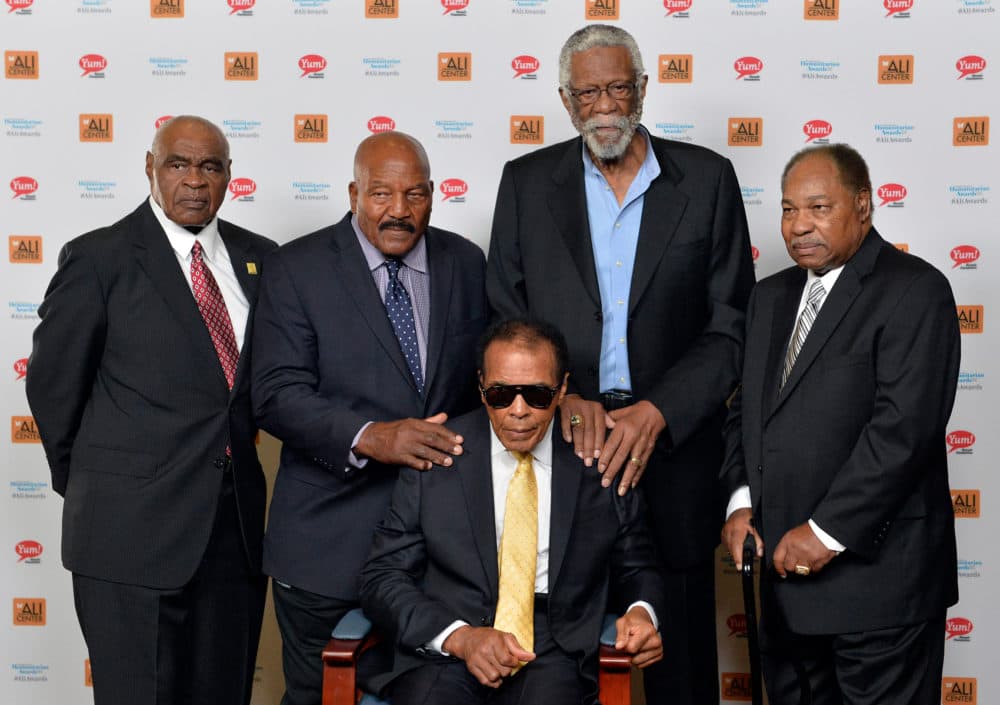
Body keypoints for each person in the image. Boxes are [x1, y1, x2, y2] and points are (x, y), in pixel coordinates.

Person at [486, 23, 755, 703]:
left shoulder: (709, 179)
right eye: (587, 92)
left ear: (642, 87)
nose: (604, 105)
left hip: (675, 452)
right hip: (559, 444)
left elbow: (731, 327)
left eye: (616, 88)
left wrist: (660, 410)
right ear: (565, 100)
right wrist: (560, 395)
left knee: (681, 660)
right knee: (557, 655)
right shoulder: (524, 183)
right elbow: (502, 317)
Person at [25, 115, 276, 705]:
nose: (195, 180)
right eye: (178, 164)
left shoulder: (260, 259)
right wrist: (98, 482)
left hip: (232, 536)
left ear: (230, 176)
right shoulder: (98, 258)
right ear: (150, 168)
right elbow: (54, 389)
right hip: (126, 536)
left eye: (211, 166)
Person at [252, 131, 488, 705]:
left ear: (433, 196)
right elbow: (277, 394)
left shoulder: (466, 262)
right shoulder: (295, 267)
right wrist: (372, 437)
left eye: (415, 195)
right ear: (354, 192)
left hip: (440, 556)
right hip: (325, 544)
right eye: (381, 194)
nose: (399, 211)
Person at [721, 144, 960, 705]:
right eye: (787, 209)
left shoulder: (915, 290)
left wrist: (826, 532)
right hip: (784, 592)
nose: (799, 225)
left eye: (819, 208)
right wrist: (739, 502)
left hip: (881, 593)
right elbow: (744, 414)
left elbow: (903, 433)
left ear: (864, 206)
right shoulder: (768, 297)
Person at [360, 318, 665, 705]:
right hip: (448, 641)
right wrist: (459, 637)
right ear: (481, 386)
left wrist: (642, 612)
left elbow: (637, 566)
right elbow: (381, 576)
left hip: (554, 646)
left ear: (563, 389)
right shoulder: (437, 454)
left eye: (537, 395)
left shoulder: (598, 458)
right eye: (501, 394)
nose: (517, 411)